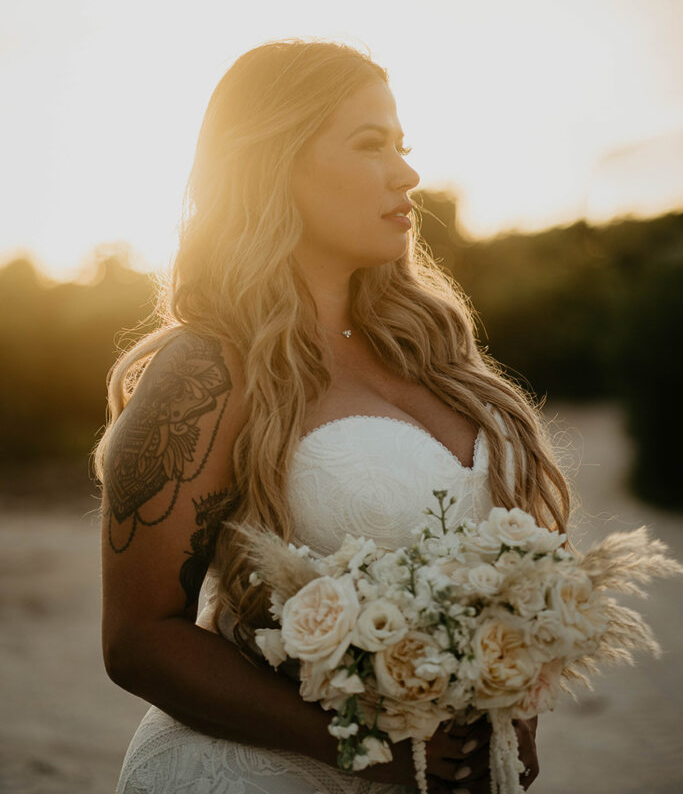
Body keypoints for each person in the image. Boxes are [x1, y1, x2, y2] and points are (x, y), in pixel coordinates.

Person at [96, 39, 570, 793]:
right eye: (370, 144)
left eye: (402, 146)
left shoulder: (430, 352)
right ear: (275, 161)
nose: (407, 173)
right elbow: (139, 639)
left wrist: (508, 711)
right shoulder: (208, 366)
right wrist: (367, 749)